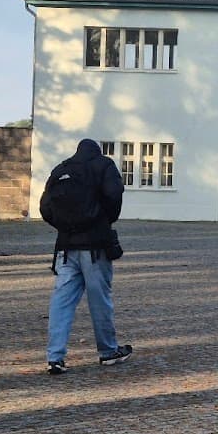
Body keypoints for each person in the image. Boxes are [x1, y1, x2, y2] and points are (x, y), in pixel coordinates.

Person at [40, 138, 131, 375]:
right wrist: (103, 220)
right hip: (95, 246)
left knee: (61, 300)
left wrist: (65, 225)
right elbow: (114, 195)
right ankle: (108, 351)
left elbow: (45, 208)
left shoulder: (62, 169)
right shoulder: (104, 165)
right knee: (99, 299)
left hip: (65, 247)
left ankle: (55, 357)